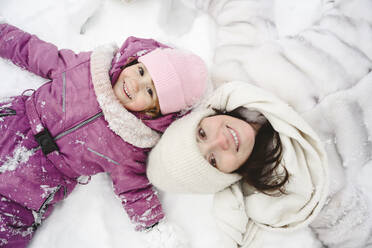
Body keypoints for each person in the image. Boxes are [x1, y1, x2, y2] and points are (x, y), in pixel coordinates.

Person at [0, 21, 208, 247]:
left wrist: (153, 226)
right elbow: (36, 52)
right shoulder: (85, 68)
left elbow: (134, 189)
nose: (136, 84)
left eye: (150, 91)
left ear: (154, 112)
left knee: (8, 228)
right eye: (141, 71)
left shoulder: (131, 144)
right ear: (133, 60)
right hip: (14, 124)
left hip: (36, 182)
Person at [147, 81, 330, 247]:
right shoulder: (294, 187)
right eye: (213, 160)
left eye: (202, 133)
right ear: (228, 176)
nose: (220, 142)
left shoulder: (243, 72)